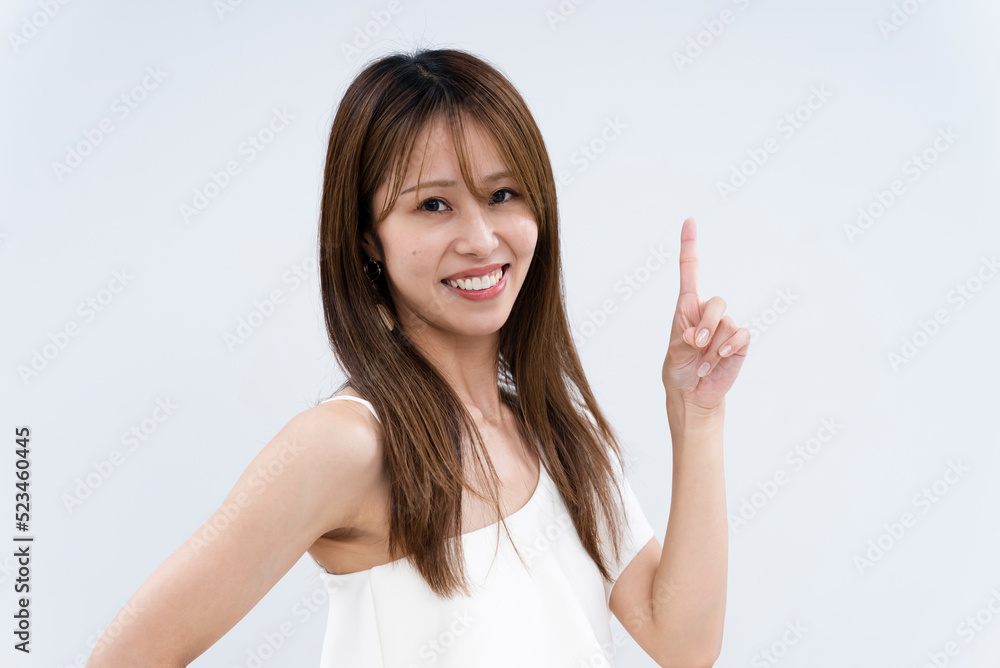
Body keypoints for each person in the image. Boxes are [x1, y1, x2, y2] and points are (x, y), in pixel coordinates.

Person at [85, 48, 749, 667]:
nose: (480, 239)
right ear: (367, 238)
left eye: (502, 195)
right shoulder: (347, 446)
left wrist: (697, 417)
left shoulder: (557, 433)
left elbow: (682, 642)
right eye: (434, 205)